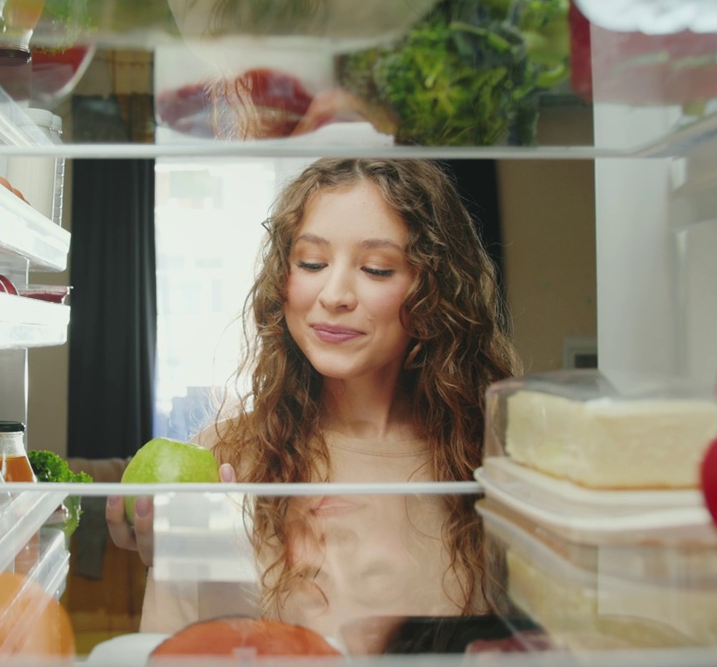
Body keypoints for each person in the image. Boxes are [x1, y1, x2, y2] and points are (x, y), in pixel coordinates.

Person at [105, 158, 521, 646]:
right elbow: (174, 647)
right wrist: (192, 560)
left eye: (376, 268)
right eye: (312, 263)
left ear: (433, 291)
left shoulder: (493, 462)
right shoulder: (224, 460)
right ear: (284, 279)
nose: (335, 294)